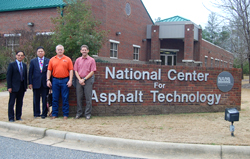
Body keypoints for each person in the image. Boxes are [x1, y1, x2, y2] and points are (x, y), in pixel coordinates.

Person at [47, 45, 73, 120]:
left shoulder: (68, 59)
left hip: (65, 80)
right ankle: (54, 114)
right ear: (56, 51)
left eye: (61, 50)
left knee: (65, 97)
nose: (60, 51)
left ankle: (65, 114)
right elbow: (49, 70)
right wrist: (48, 80)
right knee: (55, 97)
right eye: (58, 50)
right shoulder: (52, 59)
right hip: (55, 80)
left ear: (63, 51)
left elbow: (71, 70)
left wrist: (70, 80)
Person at [74, 45, 96, 120]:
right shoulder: (78, 60)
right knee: (79, 97)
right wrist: (80, 79)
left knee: (88, 98)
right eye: (83, 50)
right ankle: (79, 113)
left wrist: (84, 79)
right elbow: (75, 71)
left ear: (88, 51)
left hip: (88, 79)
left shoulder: (92, 60)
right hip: (79, 80)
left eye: (85, 50)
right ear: (81, 51)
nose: (84, 51)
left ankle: (88, 114)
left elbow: (92, 71)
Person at [29, 46, 50, 119]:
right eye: (39, 51)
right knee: (36, 99)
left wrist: (49, 81)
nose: (40, 52)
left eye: (41, 51)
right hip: (36, 83)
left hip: (45, 83)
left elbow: (50, 72)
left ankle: (44, 113)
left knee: (45, 99)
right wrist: (30, 83)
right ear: (37, 53)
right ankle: (36, 113)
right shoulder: (33, 61)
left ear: (44, 52)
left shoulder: (48, 61)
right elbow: (30, 73)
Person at [7, 51, 27, 122]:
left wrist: (25, 86)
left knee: (19, 102)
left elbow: (25, 76)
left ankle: (18, 116)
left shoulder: (24, 65)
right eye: (18, 55)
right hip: (13, 87)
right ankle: (11, 117)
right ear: (16, 56)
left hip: (21, 87)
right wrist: (9, 87)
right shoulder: (12, 65)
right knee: (12, 103)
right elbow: (9, 76)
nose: (20, 57)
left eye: (21, 55)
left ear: (24, 57)